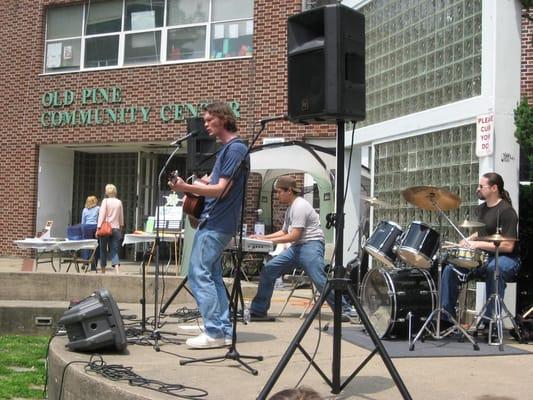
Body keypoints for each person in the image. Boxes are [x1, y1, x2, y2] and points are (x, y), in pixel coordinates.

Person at [168, 101, 249, 349]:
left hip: (217, 224)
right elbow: (215, 184)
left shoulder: (235, 149)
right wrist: (199, 183)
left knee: (198, 273)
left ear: (223, 119)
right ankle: (223, 330)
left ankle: (214, 331)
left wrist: (185, 187)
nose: (205, 125)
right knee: (211, 276)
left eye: (208, 120)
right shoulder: (228, 150)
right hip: (216, 222)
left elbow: (221, 191)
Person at [249, 175, 352, 321]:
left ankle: (345, 310)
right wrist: (263, 238)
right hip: (297, 249)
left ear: (289, 191)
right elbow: (285, 231)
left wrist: (270, 242)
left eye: (279, 192)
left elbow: (294, 236)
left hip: (311, 245)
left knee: (319, 279)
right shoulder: (290, 208)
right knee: (269, 269)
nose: (277, 195)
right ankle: (258, 311)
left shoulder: (300, 206)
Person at [441, 172, 520, 333]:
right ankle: (446, 319)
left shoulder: (507, 212)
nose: (478, 189)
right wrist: (467, 240)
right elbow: (483, 232)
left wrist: (477, 244)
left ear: (494, 188)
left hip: (507, 257)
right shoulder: (482, 208)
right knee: (451, 269)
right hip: (484, 257)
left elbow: (507, 245)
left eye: (481, 186)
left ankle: (490, 322)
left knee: (494, 269)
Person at [96, 184, 124, 274]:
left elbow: (102, 215)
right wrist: (121, 226)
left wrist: (98, 228)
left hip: (105, 228)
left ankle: (103, 270)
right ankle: (117, 269)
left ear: (107, 192)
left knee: (103, 250)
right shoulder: (119, 202)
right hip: (116, 228)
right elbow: (121, 216)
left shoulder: (105, 201)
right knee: (114, 250)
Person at [80, 195, 99, 269]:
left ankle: (85, 261)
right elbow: (99, 219)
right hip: (95, 227)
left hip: (86, 227)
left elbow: (83, 222)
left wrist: (82, 230)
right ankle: (93, 266)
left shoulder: (84, 210)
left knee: (86, 245)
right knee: (95, 246)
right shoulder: (98, 209)